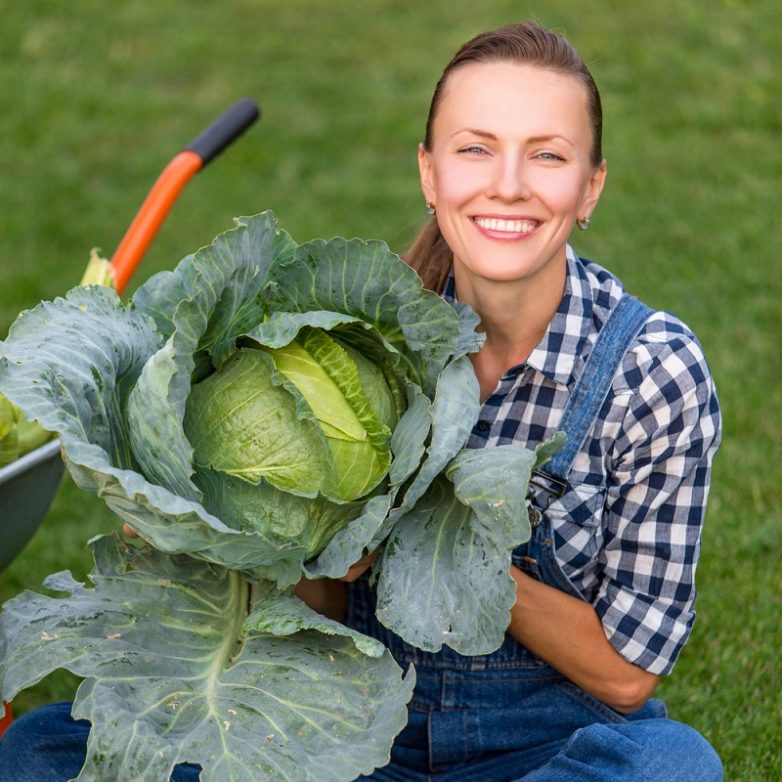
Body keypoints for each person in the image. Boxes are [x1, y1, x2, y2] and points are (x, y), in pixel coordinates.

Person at [0, 20, 722, 782]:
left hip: (548, 743)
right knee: (43, 752)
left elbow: (626, 675)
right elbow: (325, 612)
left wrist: (437, 553)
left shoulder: (650, 372)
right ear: (430, 174)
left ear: (589, 188)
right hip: (349, 735)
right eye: (475, 148)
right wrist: (228, 531)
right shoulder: (373, 339)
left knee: (671, 765)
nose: (508, 183)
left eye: (547, 155)